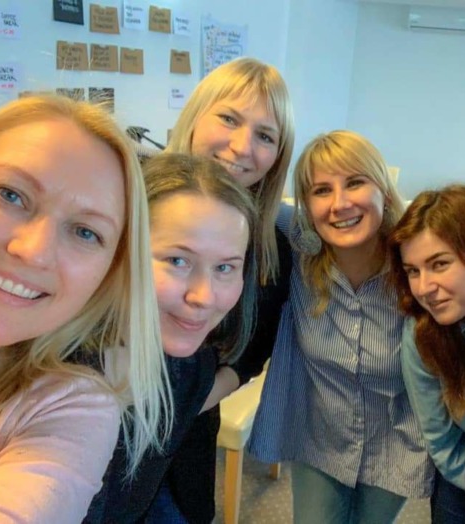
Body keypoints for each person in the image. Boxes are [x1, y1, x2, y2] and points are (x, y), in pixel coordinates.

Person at [0, 95, 170, 522]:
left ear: (108, 275)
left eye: (85, 232)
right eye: (10, 194)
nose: (33, 251)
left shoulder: (74, 407)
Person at [249, 130, 432, 524]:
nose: (340, 204)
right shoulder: (300, 246)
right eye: (321, 190)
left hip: (398, 443)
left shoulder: (417, 263)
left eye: (355, 182)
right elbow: (245, 196)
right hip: (320, 440)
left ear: (383, 190)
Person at [85, 153, 258, 522]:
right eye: (178, 261)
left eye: (225, 267)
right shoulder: (53, 381)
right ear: (121, 250)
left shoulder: (190, 370)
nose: (203, 296)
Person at [159, 56, 295, 523]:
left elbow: (250, 355)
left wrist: (179, 409)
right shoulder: (128, 202)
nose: (242, 147)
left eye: (265, 136)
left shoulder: (272, 249)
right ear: (196, 115)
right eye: (229, 119)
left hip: (183, 442)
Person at [387, 186, 465, 524]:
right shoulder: (422, 334)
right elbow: (443, 444)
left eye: (439, 264)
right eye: (413, 271)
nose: (424, 288)